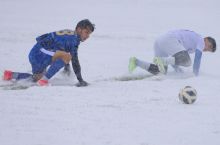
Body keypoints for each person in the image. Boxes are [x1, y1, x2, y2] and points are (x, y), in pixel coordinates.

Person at [3, 19, 95, 87]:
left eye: (89, 34)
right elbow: (74, 60)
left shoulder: (70, 34)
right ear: (79, 29)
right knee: (67, 57)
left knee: (36, 78)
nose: (87, 36)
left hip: (35, 52)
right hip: (40, 53)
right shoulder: (74, 39)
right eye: (86, 32)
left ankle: (10, 75)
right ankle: (43, 81)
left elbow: (61, 48)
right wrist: (80, 80)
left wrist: (66, 67)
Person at [129, 29, 216, 76]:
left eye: (209, 50)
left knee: (161, 72)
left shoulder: (192, 45)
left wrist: (177, 70)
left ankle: (136, 62)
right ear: (206, 39)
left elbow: (174, 58)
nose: (207, 49)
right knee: (187, 61)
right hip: (170, 39)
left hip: (160, 41)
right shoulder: (200, 40)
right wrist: (195, 75)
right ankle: (161, 60)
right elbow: (197, 58)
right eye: (209, 46)